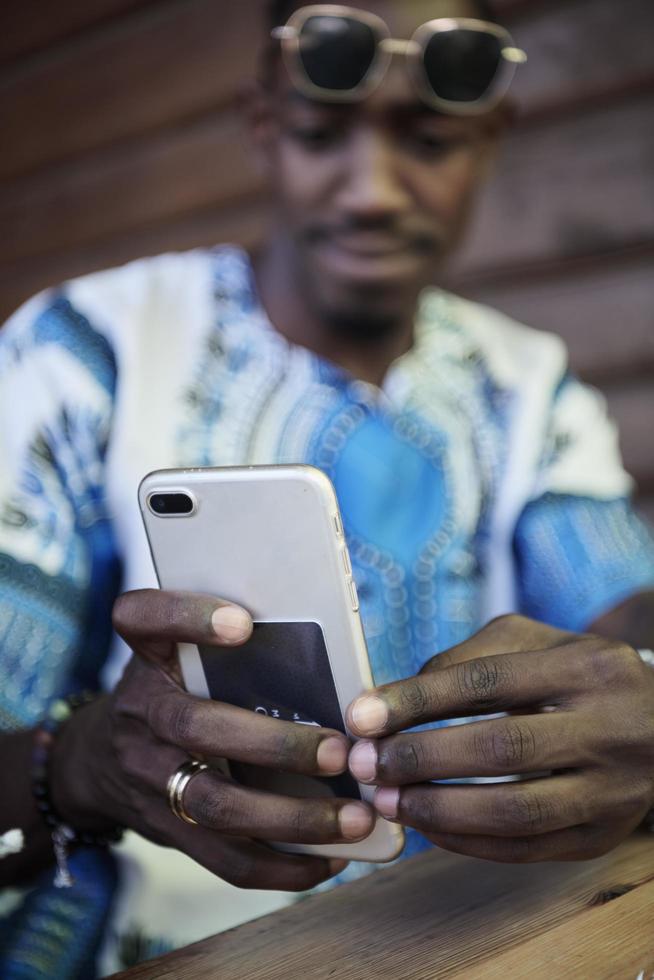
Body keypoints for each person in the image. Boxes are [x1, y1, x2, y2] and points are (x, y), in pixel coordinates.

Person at [1, 0, 654, 975]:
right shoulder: (88, 352)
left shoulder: (525, 385)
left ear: (492, 139)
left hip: (476, 940)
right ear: (262, 122)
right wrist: (87, 760)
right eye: (318, 132)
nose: (374, 190)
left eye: (431, 139)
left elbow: (619, 603)